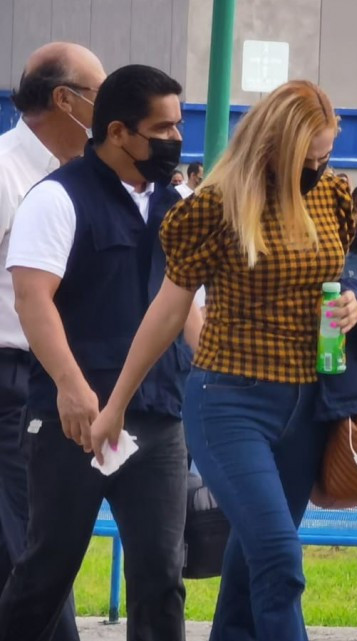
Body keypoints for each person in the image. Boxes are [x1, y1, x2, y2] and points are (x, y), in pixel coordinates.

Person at [86, 79, 357, 641]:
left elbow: (330, 281)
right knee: (280, 560)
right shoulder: (216, 205)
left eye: (326, 155)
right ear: (274, 146)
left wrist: (354, 304)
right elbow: (167, 311)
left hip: (307, 405)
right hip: (229, 403)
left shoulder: (330, 195)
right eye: (308, 158)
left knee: (247, 572)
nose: (319, 166)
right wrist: (115, 403)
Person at [0, 63, 191, 641]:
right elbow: (33, 298)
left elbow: (187, 304)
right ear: (116, 132)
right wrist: (71, 386)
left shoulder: (176, 202)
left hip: (156, 417)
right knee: (47, 568)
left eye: (179, 125)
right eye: (162, 129)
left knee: (161, 575)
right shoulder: (57, 198)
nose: (176, 140)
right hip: (71, 420)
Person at [0, 41, 105, 641]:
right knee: (35, 554)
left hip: (60, 383)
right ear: (64, 100)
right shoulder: (9, 173)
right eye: (100, 92)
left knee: (37, 547)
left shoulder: (80, 180)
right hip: (13, 380)